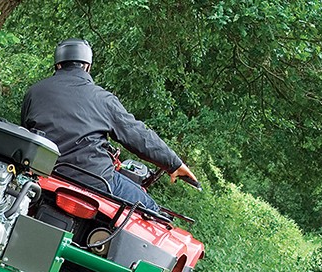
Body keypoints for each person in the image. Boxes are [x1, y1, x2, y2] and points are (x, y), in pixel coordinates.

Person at [21, 38, 198, 212]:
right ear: (87, 66)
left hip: (43, 173)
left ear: (58, 64)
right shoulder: (102, 99)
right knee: (150, 209)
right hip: (95, 179)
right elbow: (137, 134)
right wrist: (173, 163)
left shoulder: (34, 92)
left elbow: (27, 133)